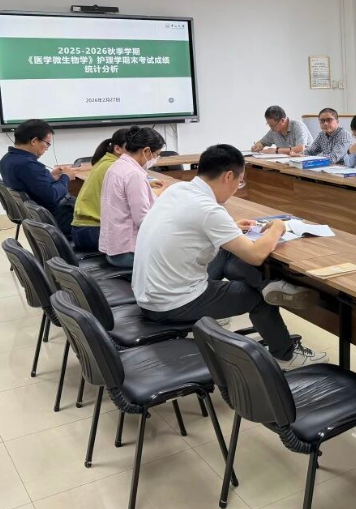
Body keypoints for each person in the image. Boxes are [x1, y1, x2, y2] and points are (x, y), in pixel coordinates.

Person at [132, 144, 326, 370]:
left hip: (148, 293)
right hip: (170, 304)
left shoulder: (178, 190)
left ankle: (268, 286)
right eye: (240, 182)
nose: (237, 188)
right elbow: (255, 255)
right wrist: (277, 227)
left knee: (226, 250)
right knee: (258, 299)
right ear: (228, 176)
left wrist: (230, 227)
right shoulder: (209, 210)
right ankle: (285, 354)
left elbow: (190, 225)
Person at [99, 127, 167, 268]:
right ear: (146, 151)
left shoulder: (117, 166)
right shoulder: (133, 174)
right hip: (128, 253)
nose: (155, 160)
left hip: (115, 250)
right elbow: (143, 220)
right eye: (156, 155)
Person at [0, 119, 77, 235]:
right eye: (47, 143)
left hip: (37, 219)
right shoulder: (28, 165)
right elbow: (51, 197)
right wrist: (66, 177)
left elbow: (33, 186)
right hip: (59, 218)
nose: (47, 148)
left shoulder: (7, 159)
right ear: (34, 141)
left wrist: (51, 177)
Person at [71, 128, 128, 252]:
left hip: (83, 230)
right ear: (117, 149)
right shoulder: (114, 166)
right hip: (93, 232)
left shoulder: (106, 161)